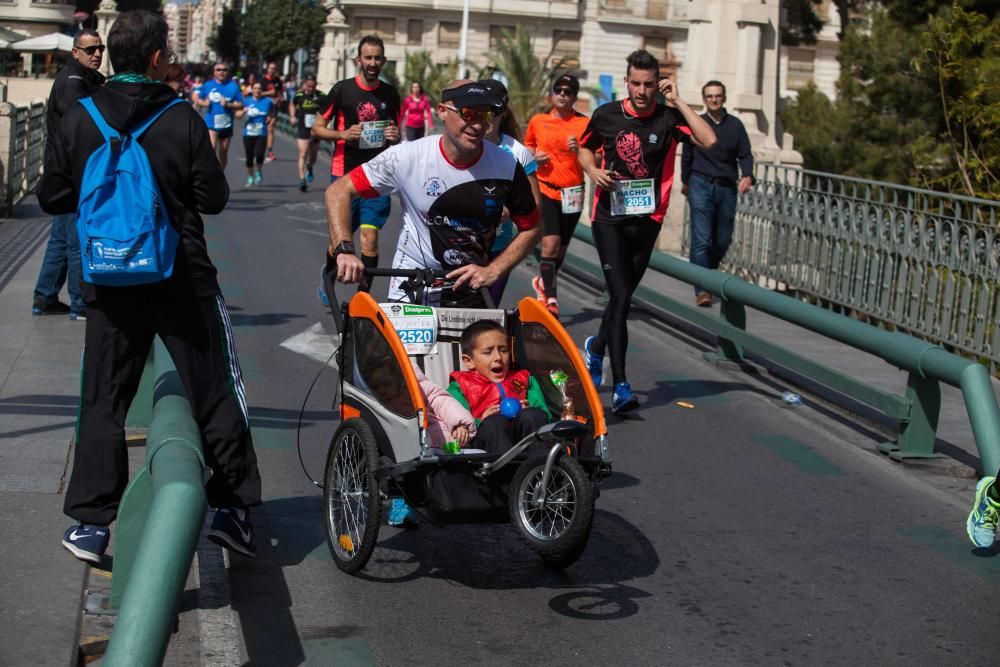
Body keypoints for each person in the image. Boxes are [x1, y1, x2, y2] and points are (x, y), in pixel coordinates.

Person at [37, 10, 262, 563]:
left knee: (103, 396)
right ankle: (233, 509)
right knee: (213, 388)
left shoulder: (81, 115)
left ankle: (90, 523)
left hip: (108, 277)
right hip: (180, 274)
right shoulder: (180, 115)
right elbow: (213, 197)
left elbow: (52, 196)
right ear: (159, 58)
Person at [578, 50, 716, 414]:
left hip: (648, 220)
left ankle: (594, 349)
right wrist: (593, 172)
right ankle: (621, 386)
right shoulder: (607, 114)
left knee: (621, 298)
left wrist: (679, 101)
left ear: (659, 84)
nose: (642, 91)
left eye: (649, 84)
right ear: (627, 82)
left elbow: (709, 140)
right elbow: (585, 150)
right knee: (621, 298)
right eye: (636, 83)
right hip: (608, 218)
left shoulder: (669, 118)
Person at [326, 80, 540, 309]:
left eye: (483, 115)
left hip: (470, 285)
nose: (476, 125)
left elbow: (534, 225)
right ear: (442, 111)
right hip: (413, 282)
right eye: (468, 114)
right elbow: (338, 191)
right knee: (410, 347)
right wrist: (344, 249)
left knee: (480, 346)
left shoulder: (506, 164)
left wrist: (494, 270)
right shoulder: (407, 157)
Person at [312, 35, 401, 295]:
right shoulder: (342, 90)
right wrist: (342, 134)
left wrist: (395, 137)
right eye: (368, 57)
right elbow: (317, 129)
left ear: (383, 61)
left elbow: (396, 133)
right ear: (358, 60)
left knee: (370, 240)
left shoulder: (390, 94)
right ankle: (327, 281)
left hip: (378, 177)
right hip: (345, 176)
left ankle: (363, 297)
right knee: (340, 242)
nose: (373, 63)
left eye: (377, 58)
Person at [31, 28, 106, 321]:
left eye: (100, 48)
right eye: (90, 50)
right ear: (76, 52)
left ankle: (45, 296)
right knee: (75, 240)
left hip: (62, 171)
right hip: (70, 173)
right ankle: (79, 303)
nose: (97, 54)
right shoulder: (73, 84)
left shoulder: (81, 79)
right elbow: (84, 125)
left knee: (61, 239)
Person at [366, 359, 476, 526]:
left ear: (400, 380)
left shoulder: (421, 390)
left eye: (386, 384)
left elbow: (444, 403)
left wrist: (460, 424)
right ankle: (402, 504)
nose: (382, 390)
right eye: (376, 387)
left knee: (453, 469)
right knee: (404, 471)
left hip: (441, 439)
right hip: (406, 449)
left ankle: (456, 501)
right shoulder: (377, 404)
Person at [681, 80, 754, 307]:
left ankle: (707, 274)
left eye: (718, 96)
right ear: (704, 100)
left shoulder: (736, 126)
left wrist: (748, 175)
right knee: (702, 239)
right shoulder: (698, 123)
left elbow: (745, 154)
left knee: (722, 239)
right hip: (700, 183)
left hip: (726, 187)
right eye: (710, 96)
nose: (714, 99)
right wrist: (686, 182)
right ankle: (702, 289)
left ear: (724, 98)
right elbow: (687, 155)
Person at [524, 74, 591, 317]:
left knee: (560, 249)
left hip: (573, 193)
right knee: (550, 244)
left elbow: (598, 157)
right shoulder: (539, 121)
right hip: (545, 188)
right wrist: (533, 157)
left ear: (574, 96)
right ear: (553, 94)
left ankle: (544, 281)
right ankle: (551, 299)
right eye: (559, 90)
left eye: (569, 91)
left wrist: (580, 151)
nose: (563, 94)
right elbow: (528, 146)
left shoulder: (584, 124)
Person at [478, 78, 540, 307]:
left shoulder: (518, 152)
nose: (487, 117)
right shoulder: (461, 146)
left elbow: (534, 206)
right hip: (458, 245)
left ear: (503, 113)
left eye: (493, 111)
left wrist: (509, 210)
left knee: (486, 317)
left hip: (498, 250)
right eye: (481, 110)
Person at [446, 320, 550, 454]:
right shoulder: (460, 387)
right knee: (495, 422)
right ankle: (503, 473)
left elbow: (545, 414)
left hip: (524, 439)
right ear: (469, 361)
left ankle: (541, 467)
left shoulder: (525, 379)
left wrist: (530, 408)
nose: (498, 357)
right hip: (486, 444)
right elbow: (455, 420)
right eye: (488, 352)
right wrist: (480, 420)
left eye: (504, 350)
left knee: (532, 415)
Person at [193, 61, 243, 170]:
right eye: (218, 70)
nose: (221, 72)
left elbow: (240, 104)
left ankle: (220, 176)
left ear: (228, 72)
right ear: (214, 72)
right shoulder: (208, 85)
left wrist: (228, 104)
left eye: (224, 70)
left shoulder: (233, 86)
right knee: (212, 148)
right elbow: (198, 99)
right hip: (211, 123)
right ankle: (210, 175)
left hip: (227, 124)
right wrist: (204, 103)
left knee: (223, 153)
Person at [289, 74, 323, 192]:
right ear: (305, 85)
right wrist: (293, 116)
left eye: (312, 87)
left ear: (315, 85)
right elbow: (292, 104)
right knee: (303, 153)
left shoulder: (321, 96)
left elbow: (329, 108)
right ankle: (302, 179)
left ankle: (310, 166)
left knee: (313, 156)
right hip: (303, 127)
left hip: (316, 130)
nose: (310, 89)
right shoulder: (299, 95)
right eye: (308, 86)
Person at [238, 81, 275, 187]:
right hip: (248, 133)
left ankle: (258, 171)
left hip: (261, 132)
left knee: (259, 155)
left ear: (262, 91)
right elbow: (237, 115)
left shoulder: (267, 101)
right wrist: (243, 112)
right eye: (255, 88)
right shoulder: (246, 101)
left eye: (259, 88)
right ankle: (250, 176)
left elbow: (272, 112)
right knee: (249, 157)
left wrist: (269, 118)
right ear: (252, 90)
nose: (257, 90)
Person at [260, 62, 283, 162]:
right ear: (267, 69)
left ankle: (269, 151)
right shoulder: (263, 80)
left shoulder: (278, 81)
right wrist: (269, 93)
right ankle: (259, 147)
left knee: (270, 128)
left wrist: (278, 99)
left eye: (274, 68)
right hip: (263, 106)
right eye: (270, 68)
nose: (272, 70)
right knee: (261, 128)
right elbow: (257, 93)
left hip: (273, 107)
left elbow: (280, 93)